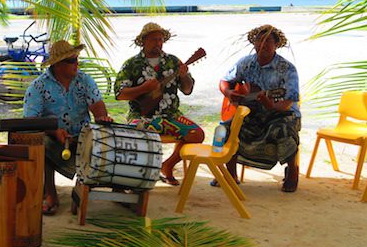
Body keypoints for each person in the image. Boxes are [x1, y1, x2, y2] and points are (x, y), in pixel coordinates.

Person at [24, 40, 112, 215]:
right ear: (57, 65)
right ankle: (50, 193)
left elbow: (97, 106)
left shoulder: (85, 80)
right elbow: (30, 121)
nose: (76, 64)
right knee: (41, 143)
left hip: (82, 134)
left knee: (102, 140)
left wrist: (102, 117)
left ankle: (82, 189)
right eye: (71, 60)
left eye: (77, 59)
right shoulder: (38, 86)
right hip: (53, 136)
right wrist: (54, 131)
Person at [114, 22, 205, 186]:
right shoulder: (131, 65)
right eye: (154, 39)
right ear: (143, 41)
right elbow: (120, 94)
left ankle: (167, 165)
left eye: (161, 40)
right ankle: (138, 176)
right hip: (142, 117)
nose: (158, 43)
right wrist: (143, 88)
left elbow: (187, 90)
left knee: (196, 134)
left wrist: (184, 76)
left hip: (171, 116)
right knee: (137, 132)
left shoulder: (173, 62)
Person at [217, 24, 300, 192]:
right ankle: (229, 174)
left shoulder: (287, 68)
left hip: (282, 112)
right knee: (223, 129)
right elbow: (224, 80)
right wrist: (228, 92)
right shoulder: (245, 63)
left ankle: (292, 171)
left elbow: (289, 101)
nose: (263, 44)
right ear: (253, 43)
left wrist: (272, 105)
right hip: (252, 112)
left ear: (276, 45)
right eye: (259, 40)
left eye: (268, 40)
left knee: (282, 130)